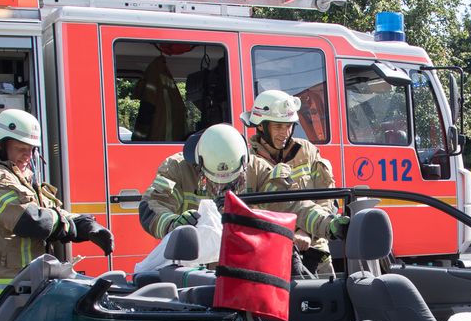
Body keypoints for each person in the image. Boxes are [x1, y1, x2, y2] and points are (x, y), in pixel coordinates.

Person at [0, 109, 113, 307]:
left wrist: (86, 224)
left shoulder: (20, 177)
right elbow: (29, 220)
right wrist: (74, 226)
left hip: (22, 288)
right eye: (20, 149)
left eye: (31, 149)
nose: (28, 155)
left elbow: (50, 211)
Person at [139, 123, 347, 250]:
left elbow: (292, 204)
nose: (223, 187)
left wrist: (329, 224)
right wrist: (173, 223)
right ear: (199, 163)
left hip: (240, 259)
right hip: (191, 261)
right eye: (214, 180)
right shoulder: (177, 168)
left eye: (232, 181)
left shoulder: (257, 169)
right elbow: (152, 208)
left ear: (244, 161)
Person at [241, 90, 339, 275]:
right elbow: (245, 210)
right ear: (261, 126)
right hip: (268, 254)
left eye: (289, 126)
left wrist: (306, 232)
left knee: (329, 300)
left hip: (315, 250)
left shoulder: (308, 151)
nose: (285, 133)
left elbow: (328, 198)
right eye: (278, 127)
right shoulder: (246, 161)